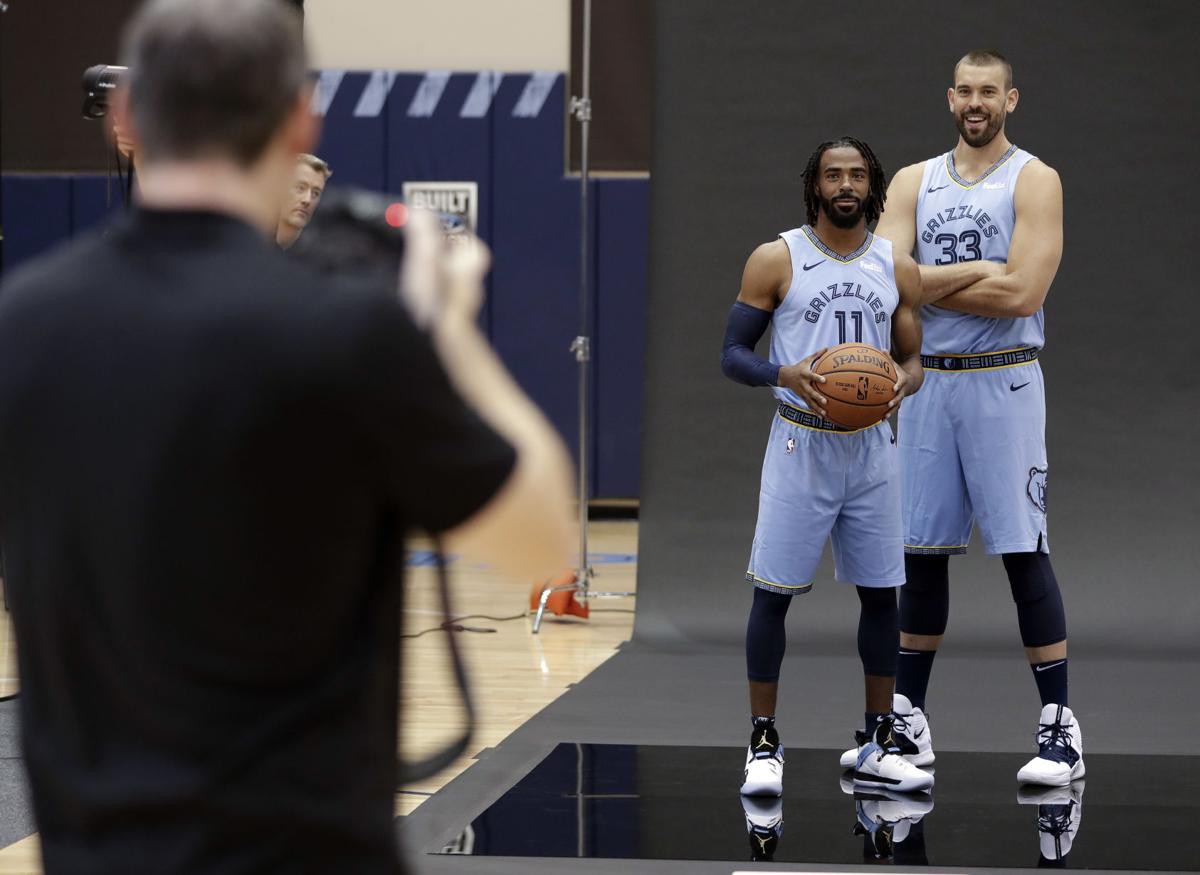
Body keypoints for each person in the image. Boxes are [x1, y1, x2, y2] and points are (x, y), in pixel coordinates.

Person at [0, 0, 575, 872]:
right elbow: (544, 544)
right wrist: (448, 327)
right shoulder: (348, 333)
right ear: (299, 117)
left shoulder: (23, 324)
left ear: (125, 120)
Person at [864, 49, 1081, 787]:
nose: (977, 102)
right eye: (966, 91)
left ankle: (1059, 730)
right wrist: (961, 276)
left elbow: (1022, 294)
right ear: (950, 98)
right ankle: (908, 727)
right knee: (919, 555)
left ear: (1011, 98)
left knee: (1023, 550)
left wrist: (921, 284)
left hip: (1004, 381)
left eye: (991, 91)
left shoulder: (1036, 179)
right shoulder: (911, 181)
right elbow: (882, 281)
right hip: (928, 385)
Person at [721, 136, 933, 811]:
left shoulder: (894, 263)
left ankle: (878, 740)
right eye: (833, 174)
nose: (846, 184)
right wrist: (781, 372)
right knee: (773, 595)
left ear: (872, 188)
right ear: (814, 185)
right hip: (800, 443)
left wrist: (902, 380)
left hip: (872, 447)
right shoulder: (776, 258)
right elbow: (731, 352)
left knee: (881, 595)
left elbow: (913, 360)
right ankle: (762, 739)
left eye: (858, 174)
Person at [276, 153, 331, 249]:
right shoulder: (248, 241)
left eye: (315, 193)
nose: (307, 200)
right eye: (300, 188)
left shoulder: (317, 256)